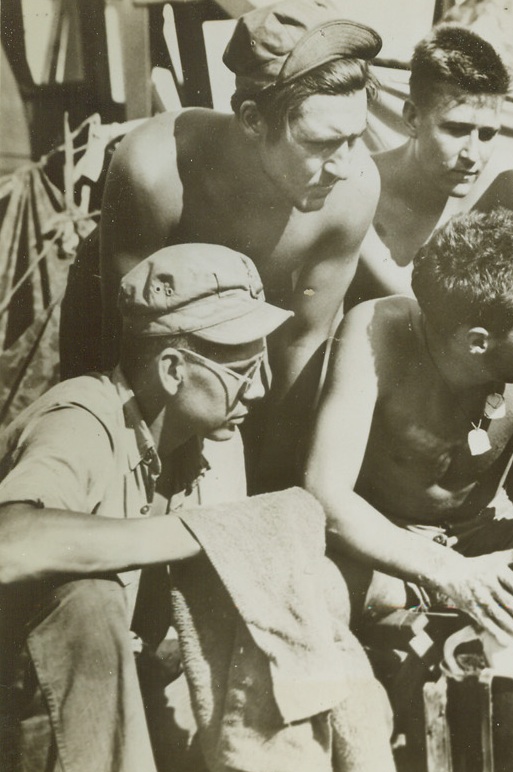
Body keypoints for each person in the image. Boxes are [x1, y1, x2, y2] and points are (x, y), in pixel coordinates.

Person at [0, 244, 285, 772]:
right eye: (241, 364)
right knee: (85, 606)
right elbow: (11, 542)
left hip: (96, 729)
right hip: (24, 726)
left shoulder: (209, 442)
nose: (263, 383)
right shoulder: (82, 419)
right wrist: (188, 534)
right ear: (170, 368)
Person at [61, 0, 382, 492]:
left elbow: (302, 342)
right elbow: (124, 343)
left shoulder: (353, 188)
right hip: (122, 322)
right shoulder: (155, 168)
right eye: (320, 144)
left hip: (240, 343)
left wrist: (270, 490)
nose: (341, 166)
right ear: (253, 120)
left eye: (355, 138)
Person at [304, 209, 513, 666]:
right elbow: (324, 495)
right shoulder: (378, 332)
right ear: (478, 341)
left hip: (491, 543)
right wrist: (447, 572)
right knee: (313, 591)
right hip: (389, 550)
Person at [350, 25, 513, 304]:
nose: (473, 155)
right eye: (456, 129)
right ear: (413, 118)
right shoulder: (357, 186)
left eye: (487, 134)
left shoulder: (497, 180)